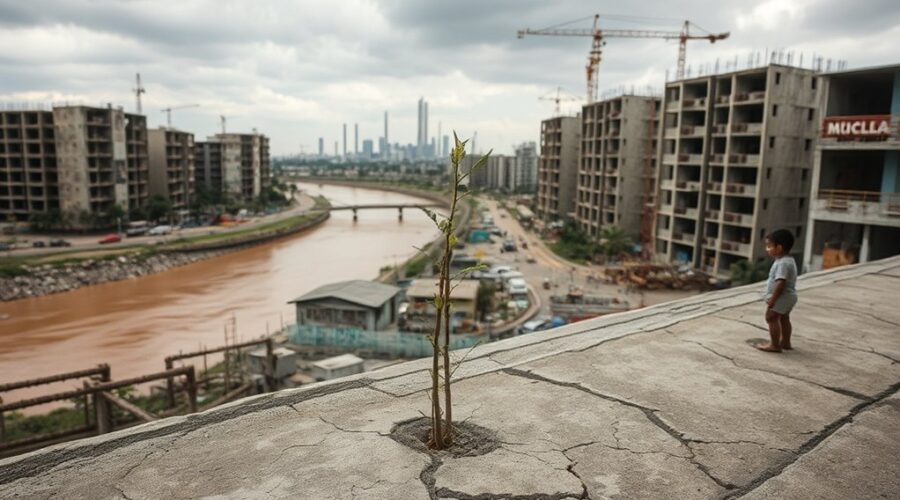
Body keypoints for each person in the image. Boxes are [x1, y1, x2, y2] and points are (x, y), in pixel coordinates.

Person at [757, 229, 798, 353]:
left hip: (782, 296)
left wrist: (773, 299)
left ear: (779, 247)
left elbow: (780, 282)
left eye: (769, 246)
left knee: (771, 317)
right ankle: (785, 342)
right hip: (790, 296)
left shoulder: (783, 263)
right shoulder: (788, 260)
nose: (767, 249)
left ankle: (774, 345)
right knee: (784, 318)